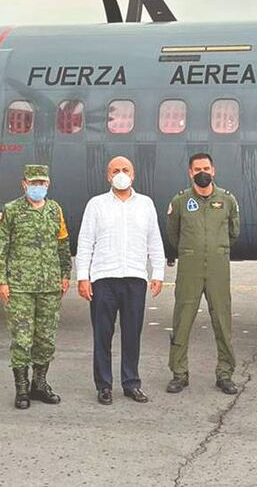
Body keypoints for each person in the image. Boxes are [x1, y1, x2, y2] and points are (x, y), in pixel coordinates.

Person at [77, 156, 165, 405]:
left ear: (133, 174)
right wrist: (83, 277)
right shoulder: (96, 205)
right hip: (103, 279)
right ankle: (104, 385)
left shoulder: (145, 204)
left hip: (135, 279)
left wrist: (157, 273)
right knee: (102, 335)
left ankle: (131, 383)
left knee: (132, 335)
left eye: (125, 169)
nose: (121, 174)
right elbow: (85, 243)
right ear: (108, 176)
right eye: (115, 170)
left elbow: (154, 241)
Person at [0, 164, 72, 410]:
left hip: (49, 286)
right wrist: (1, 281)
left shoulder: (55, 210)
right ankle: (21, 389)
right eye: (33, 183)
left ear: (48, 184)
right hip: (20, 286)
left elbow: (63, 244)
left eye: (42, 183)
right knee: (22, 339)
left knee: (45, 338)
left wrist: (65, 274)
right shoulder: (11, 211)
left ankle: (39, 384)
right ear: (24, 184)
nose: (38, 187)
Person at [165, 153, 241, 395]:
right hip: (190, 267)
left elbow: (233, 232)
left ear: (214, 170)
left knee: (222, 320)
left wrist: (215, 249)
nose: (202, 172)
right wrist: (191, 250)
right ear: (190, 172)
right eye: (197, 169)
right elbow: (173, 234)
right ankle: (179, 373)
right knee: (182, 319)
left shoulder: (227, 200)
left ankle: (225, 374)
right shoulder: (180, 201)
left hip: (218, 268)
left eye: (206, 168)